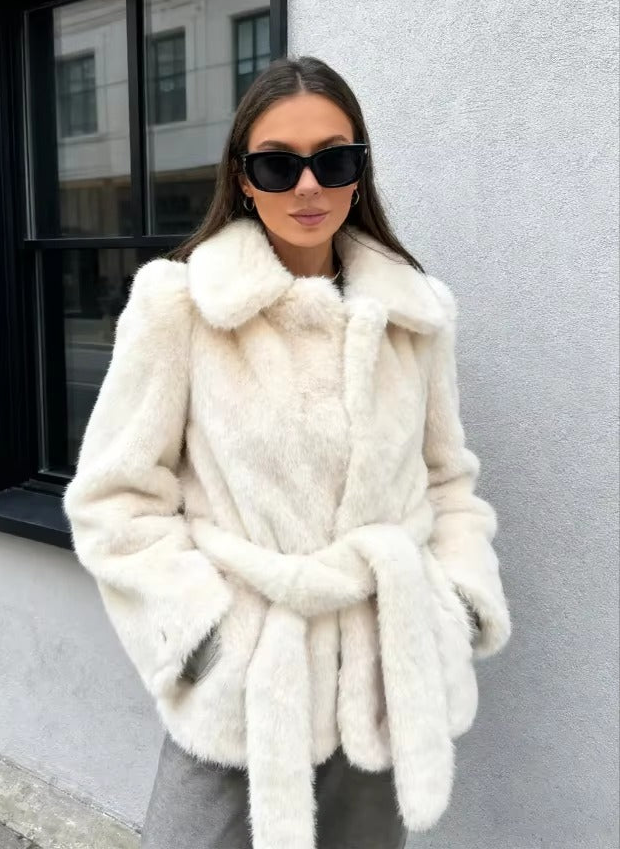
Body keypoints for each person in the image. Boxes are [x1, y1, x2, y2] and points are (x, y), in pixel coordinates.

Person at [62, 55, 512, 849]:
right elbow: (113, 499)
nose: (308, 187)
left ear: (359, 173)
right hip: (251, 685)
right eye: (278, 164)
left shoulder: (415, 314)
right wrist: (205, 637)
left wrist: (459, 600)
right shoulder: (182, 307)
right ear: (243, 178)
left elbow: (447, 481)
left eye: (333, 161)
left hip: (382, 678)